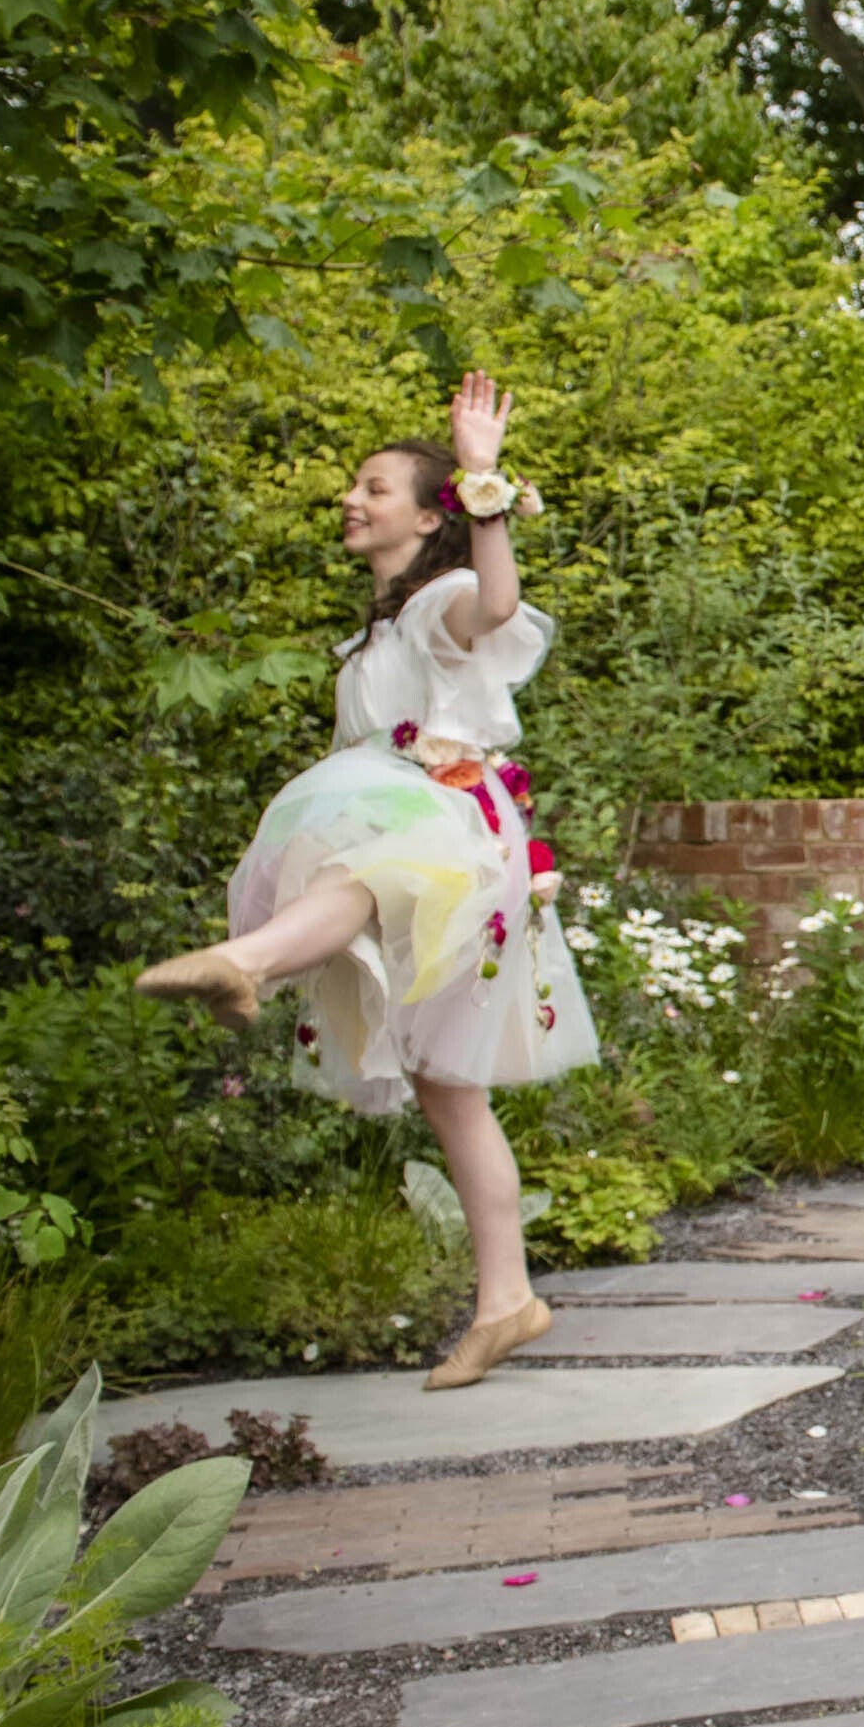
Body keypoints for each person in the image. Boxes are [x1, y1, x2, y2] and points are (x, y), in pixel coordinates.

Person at [135, 371, 599, 1389]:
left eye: (375, 486)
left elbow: (500, 600)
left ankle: (243, 960)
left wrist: (482, 474)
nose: (353, 498)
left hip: (449, 832)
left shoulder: (441, 602)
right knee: (450, 1091)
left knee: (365, 867)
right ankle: (507, 1299)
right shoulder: (379, 631)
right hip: (421, 822)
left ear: (429, 512)